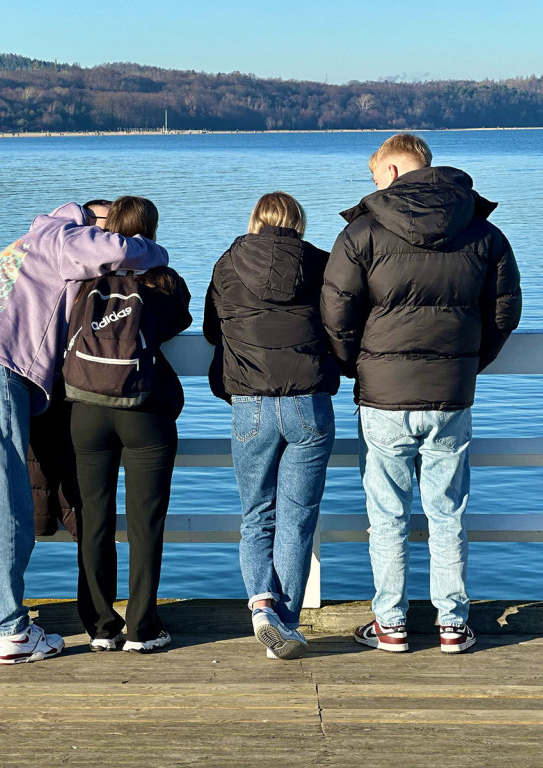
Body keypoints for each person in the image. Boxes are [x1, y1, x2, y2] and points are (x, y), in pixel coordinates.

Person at [0, 200, 168, 664]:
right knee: (9, 503)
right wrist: (154, 247)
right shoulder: (62, 238)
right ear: (85, 223)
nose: (106, 236)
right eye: (101, 226)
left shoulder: (20, 247)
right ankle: (12, 630)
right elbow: (128, 252)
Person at [321, 133, 522, 654]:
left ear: (390, 172)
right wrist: (469, 365)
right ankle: (452, 625)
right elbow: (504, 312)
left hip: (383, 396)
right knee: (447, 511)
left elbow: (336, 314)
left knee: (386, 514)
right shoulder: (485, 234)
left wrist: (357, 367)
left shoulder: (361, 234)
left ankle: (391, 624)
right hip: (451, 393)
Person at [203, 192, 339, 660]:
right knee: (297, 519)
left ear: (254, 221)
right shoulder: (322, 262)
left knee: (256, 514)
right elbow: (340, 323)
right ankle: (286, 622)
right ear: (298, 222)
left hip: (250, 403)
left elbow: (210, 328)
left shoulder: (227, 264)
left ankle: (261, 603)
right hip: (309, 401)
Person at [65, 196, 191, 653]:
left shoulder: (83, 279)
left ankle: (100, 625)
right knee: (146, 521)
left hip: (86, 410)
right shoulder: (163, 281)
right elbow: (181, 319)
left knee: (93, 518)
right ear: (152, 230)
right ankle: (142, 627)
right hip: (145, 411)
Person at [27, 198, 114, 540]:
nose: (106, 230)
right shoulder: (51, 264)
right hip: (49, 394)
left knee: (86, 506)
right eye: (100, 222)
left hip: (80, 398)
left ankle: (94, 592)